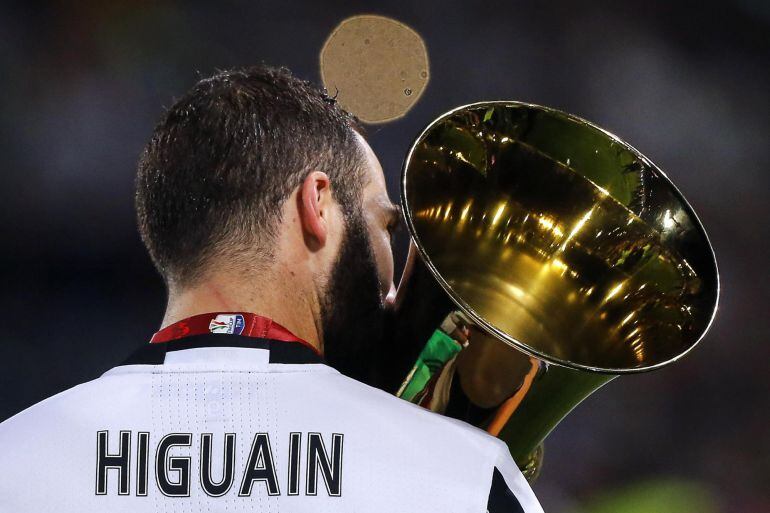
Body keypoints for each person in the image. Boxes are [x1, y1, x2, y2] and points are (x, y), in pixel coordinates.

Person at [0, 64, 543, 512]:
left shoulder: (16, 459)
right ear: (318, 204)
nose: (392, 291)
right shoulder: (460, 477)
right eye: (385, 227)